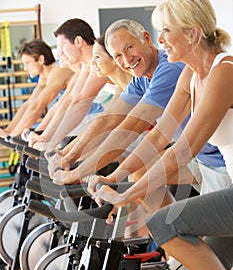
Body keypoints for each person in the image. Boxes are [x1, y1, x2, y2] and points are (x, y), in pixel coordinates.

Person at [90, 0, 233, 270]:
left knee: (164, 224)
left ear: (193, 34)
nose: (161, 39)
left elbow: (182, 150)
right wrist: (115, 177)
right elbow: (158, 139)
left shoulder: (224, 72)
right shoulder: (191, 76)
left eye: (165, 30)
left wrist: (128, 195)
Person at [49, 18, 185, 219]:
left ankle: (172, 233)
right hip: (187, 150)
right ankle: (170, 235)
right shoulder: (140, 78)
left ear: (147, 39)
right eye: (118, 55)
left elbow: (131, 128)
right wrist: (69, 156)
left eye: (129, 48)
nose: (127, 60)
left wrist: (77, 173)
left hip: (201, 154)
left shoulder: (168, 69)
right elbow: (108, 119)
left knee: (136, 174)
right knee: (136, 174)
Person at [28, 18, 109, 151]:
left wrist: (52, 141)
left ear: (78, 41)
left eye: (62, 46)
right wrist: (45, 136)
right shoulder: (87, 66)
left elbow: (81, 104)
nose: (59, 52)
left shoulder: (99, 59)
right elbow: (71, 100)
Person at [53, 32, 133, 159]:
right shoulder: (120, 87)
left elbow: (107, 122)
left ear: (114, 59)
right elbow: (104, 118)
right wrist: (66, 152)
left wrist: (70, 155)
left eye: (97, 57)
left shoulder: (133, 85)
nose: (93, 63)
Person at [0, 39, 73, 137]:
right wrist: (8, 130)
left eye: (27, 63)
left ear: (41, 59)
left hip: (88, 115)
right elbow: (29, 104)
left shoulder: (58, 70)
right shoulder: (43, 77)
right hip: (70, 117)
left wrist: (12, 136)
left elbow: (38, 107)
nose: (25, 68)